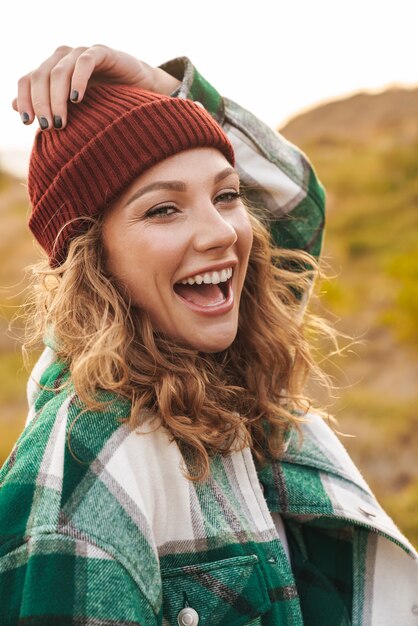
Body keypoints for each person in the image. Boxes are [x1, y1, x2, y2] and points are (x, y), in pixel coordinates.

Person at [0, 45, 416, 626]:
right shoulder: (85, 478)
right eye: (164, 210)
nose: (222, 233)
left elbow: (295, 208)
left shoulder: (224, 356)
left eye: (225, 195)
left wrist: (167, 90)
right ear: (91, 259)